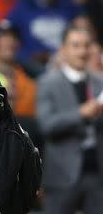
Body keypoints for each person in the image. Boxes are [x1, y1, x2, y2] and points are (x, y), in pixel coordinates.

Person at [36, 25, 103, 214]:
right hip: (62, 174)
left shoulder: (100, 81)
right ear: (63, 49)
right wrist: (81, 113)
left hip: (97, 173)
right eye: (75, 46)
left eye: (86, 45)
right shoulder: (48, 82)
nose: (82, 51)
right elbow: (46, 125)